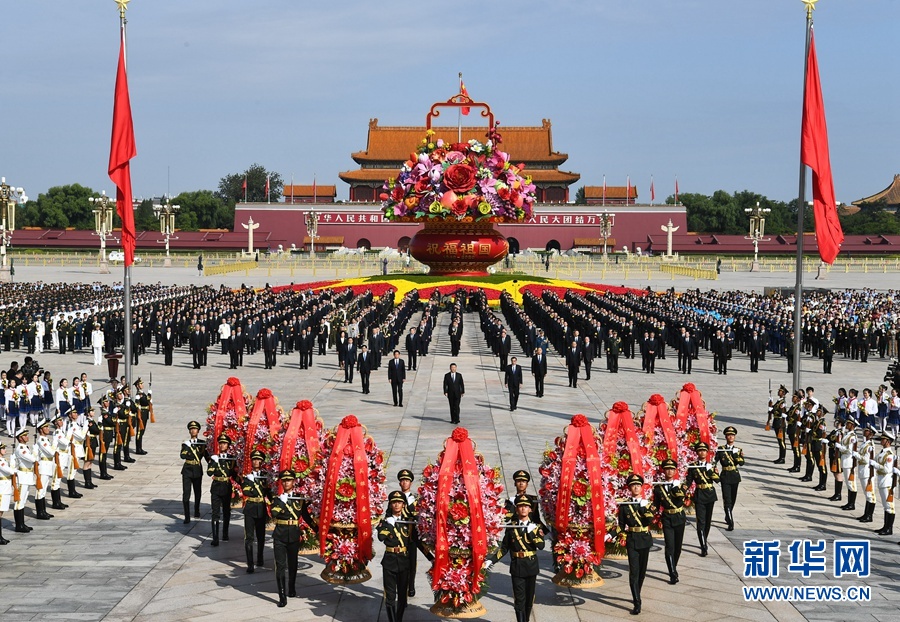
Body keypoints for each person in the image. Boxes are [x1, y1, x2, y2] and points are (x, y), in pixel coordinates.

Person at [484, 494, 545, 622]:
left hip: (531, 566)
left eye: (526, 506)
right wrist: (491, 560)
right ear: (516, 509)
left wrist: (531, 532)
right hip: (517, 566)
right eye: (520, 506)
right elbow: (504, 548)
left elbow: (541, 546)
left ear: (530, 509)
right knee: (519, 599)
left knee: (529, 599)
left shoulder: (535, 527)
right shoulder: (511, 528)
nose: (523, 508)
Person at [271, 469, 317, 607]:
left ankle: (291, 587)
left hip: (293, 534)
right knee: (280, 565)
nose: (286, 483)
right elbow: (273, 514)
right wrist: (282, 502)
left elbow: (306, 517)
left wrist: (318, 530)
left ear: (293, 482)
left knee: (293, 564)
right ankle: (282, 595)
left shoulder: (299, 499)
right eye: (284, 481)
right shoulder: (277, 499)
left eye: (289, 480)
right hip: (280, 535)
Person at [618, 473, 653, 616]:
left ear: (642, 487)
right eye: (633, 486)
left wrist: (644, 508)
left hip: (644, 539)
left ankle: (636, 593)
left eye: (638, 485)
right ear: (629, 488)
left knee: (642, 572)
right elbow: (621, 525)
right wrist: (612, 535)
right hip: (632, 539)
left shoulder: (647, 504)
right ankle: (637, 602)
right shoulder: (625, 506)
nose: (636, 488)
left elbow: (649, 521)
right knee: (634, 572)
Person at [378, 491, 414, 622]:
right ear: (390, 505)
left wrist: (432, 558)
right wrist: (390, 525)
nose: (397, 505)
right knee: (390, 596)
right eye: (394, 502)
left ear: (404, 505)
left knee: (403, 597)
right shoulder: (385, 522)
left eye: (399, 502)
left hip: (404, 561)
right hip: (390, 561)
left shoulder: (408, 522)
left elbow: (416, 541)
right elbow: (381, 537)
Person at [653, 459, 686, 584]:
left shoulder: (680, 485)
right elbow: (656, 506)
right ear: (664, 471)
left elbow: (681, 498)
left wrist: (676, 487)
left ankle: (673, 566)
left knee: (678, 548)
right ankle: (672, 573)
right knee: (669, 546)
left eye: (672, 469)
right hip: (667, 518)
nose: (670, 471)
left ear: (675, 471)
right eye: (667, 469)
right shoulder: (658, 488)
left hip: (679, 517)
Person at [684, 442, 718, 556]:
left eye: (704, 450)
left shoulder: (711, 465)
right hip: (699, 495)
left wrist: (710, 471)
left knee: (707, 521)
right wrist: (681, 489)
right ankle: (703, 546)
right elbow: (689, 481)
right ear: (697, 452)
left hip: (710, 494)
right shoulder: (693, 466)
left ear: (707, 452)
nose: (702, 452)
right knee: (701, 521)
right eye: (700, 450)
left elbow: (717, 480)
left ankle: (704, 539)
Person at [241, 449, 271, 573]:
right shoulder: (247, 476)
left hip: (261, 508)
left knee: (261, 536)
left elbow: (269, 492)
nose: (256, 462)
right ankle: (250, 563)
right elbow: (246, 491)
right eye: (254, 459)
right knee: (249, 537)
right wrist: (253, 484)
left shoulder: (266, 477)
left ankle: (260, 557)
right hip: (250, 508)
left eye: (258, 460)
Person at [207, 433, 237, 546]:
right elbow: (209, 472)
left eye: (224, 444)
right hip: (216, 487)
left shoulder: (231, 459)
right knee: (215, 513)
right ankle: (215, 537)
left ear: (228, 445)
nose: (222, 445)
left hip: (226, 487)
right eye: (220, 443)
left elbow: (234, 474)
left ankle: (225, 533)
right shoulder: (214, 458)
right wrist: (214, 462)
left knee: (226, 511)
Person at [716, 426, 744, 531]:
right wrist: (714, 469)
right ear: (726, 437)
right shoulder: (721, 449)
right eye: (729, 435)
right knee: (727, 499)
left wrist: (736, 454)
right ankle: (731, 522)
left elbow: (741, 463)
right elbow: (714, 461)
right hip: (725, 476)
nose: (731, 437)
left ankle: (728, 514)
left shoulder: (738, 450)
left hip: (735, 476)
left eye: (732, 435)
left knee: (733, 499)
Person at [180, 421, 207, 525]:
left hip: (197, 469)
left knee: (197, 492)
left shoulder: (202, 444)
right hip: (187, 470)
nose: (193, 431)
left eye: (195, 429)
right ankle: (187, 516)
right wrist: (188, 447)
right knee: (186, 493)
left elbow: (207, 457)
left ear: (198, 431)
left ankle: (196, 510)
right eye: (191, 429)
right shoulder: (186, 444)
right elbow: (182, 456)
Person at [872, 430, 895, 536]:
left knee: (889, 506)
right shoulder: (883, 452)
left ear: (888, 441)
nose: (881, 441)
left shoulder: (889, 455)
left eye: (883, 439)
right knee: (885, 506)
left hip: (887, 482)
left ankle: (889, 528)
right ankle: (885, 526)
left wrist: (875, 464)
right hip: (882, 481)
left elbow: (886, 469)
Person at [12, 428, 35, 533]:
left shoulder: (25, 447)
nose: (27, 437)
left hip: (27, 476)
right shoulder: (21, 449)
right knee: (19, 502)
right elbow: (32, 459)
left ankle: (22, 524)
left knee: (23, 501)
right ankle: (19, 525)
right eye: (25, 435)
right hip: (22, 477)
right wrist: (35, 452)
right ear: (20, 438)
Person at [856, 424, 877, 523]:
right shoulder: (865, 443)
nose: (864, 431)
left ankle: (869, 515)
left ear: (871, 433)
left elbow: (866, 459)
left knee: (870, 494)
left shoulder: (870, 446)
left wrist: (856, 455)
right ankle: (866, 514)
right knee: (866, 494)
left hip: (867, 472)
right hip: (862, 470)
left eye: (866, 430)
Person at [838, 418, 859, 512]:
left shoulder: (853, 437)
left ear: (852, 425)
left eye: (848, 424)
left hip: (848, 461)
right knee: (848, 483)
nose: (846, 425)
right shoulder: (848, 434)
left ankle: (852, 504)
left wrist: (840, 448)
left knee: (851, 483)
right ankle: (849, 502)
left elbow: (849, 450)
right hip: (845, 460)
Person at [768, 384, 788, 464]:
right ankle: (780, 457)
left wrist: (772, 410)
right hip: (776, 422)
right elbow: (775, 408)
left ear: (783, 393)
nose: (778, 392)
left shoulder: (782, 402)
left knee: (781, 441)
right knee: (779, 441)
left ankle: (782, 458)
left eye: (780, 391)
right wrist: (771, 404)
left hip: (780, 423)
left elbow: (779, 412)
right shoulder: (779, 401)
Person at [0, 442, 14, 543]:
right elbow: (10, 471)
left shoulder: (3, 460)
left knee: (1, 512)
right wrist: (14, 465)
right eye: (3, 448)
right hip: (2, 489)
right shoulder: (1, 462)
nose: (5, 450)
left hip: (5, 489)